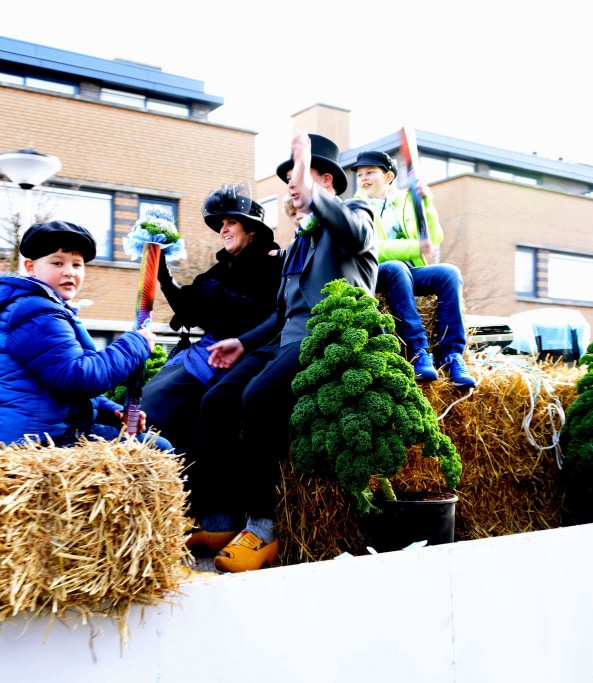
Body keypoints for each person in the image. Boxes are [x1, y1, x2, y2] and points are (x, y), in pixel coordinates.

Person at [186, 133, 376, 573]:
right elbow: (282, 313)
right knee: (216, 401)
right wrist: (243, 342)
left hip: (328, 338)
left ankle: (263, 525)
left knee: (258, 399)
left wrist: (317, 201)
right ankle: (220, 516)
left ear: (326, 181)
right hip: (282, 343)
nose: (291, 186)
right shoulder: (298, 245)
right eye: (289, 180)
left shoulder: (353, 215)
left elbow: (359, 232)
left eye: (299, 177)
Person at [0, 220, 171, 450]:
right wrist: (136, 343)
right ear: (30, 267)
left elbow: (57, 385)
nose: (69, 272)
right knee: (158, 447)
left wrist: (112, 411)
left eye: (77, 265)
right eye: (57, 262)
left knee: (149, 443)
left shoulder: (45, 309)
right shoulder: (34, 313)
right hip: (35, 442)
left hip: (45, 431)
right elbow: (76, 378)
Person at [140, 184, 282, 452]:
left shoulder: (271, 264)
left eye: (231, 222)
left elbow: (273, 315)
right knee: (149, 396)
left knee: (160, 403)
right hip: (204, 351)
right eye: (221, 224)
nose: (223, 229)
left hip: (237, 358)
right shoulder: (223, 267)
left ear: (251, 229)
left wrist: (238, 336)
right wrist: (162, 273)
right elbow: (188, 308)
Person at [352, 150, 477, 387]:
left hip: (409, 273)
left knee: (449, 273)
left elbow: (434, 237)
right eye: (360, 174)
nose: (364, 178)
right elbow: (372, 248)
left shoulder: (405, 200)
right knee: (397, 267)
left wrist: (426, 202)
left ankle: (451, 355)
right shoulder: (356, 207)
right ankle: (419, 352)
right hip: (375, 273)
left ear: (388, 177)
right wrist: (415, 247)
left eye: (370, 172)